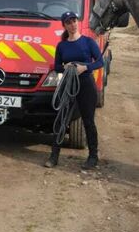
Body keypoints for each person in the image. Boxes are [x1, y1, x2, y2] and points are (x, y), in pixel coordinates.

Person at [44, 11, 103, 170]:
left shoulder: (88, 42)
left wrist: (85, 67)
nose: (72, 24)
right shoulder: (62, 46)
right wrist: (65, 67)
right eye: (68, 22)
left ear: (78, 22)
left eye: (74, 21)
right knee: (61, 119)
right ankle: (54, 156)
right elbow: (57, 66)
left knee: (88, 121)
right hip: (68, 84)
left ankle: (93, 156)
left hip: (86, 84)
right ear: (64, 26)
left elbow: (100, 62)